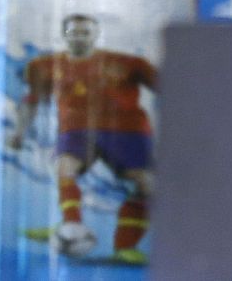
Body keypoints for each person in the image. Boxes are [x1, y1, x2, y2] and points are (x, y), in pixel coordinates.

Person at [11, 13, 157, 264]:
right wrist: (19, 132)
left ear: (95, 34)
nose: (79, 36)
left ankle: (125, 246)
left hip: (127, 130)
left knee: (146, 185)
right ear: (64, 35)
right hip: (78, 130)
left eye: (84, 32)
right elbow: (31, 101)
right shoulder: (44, 66)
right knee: (65, 167)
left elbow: (173, 88)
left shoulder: (129, 63)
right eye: (73, 32)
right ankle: (71, 225)